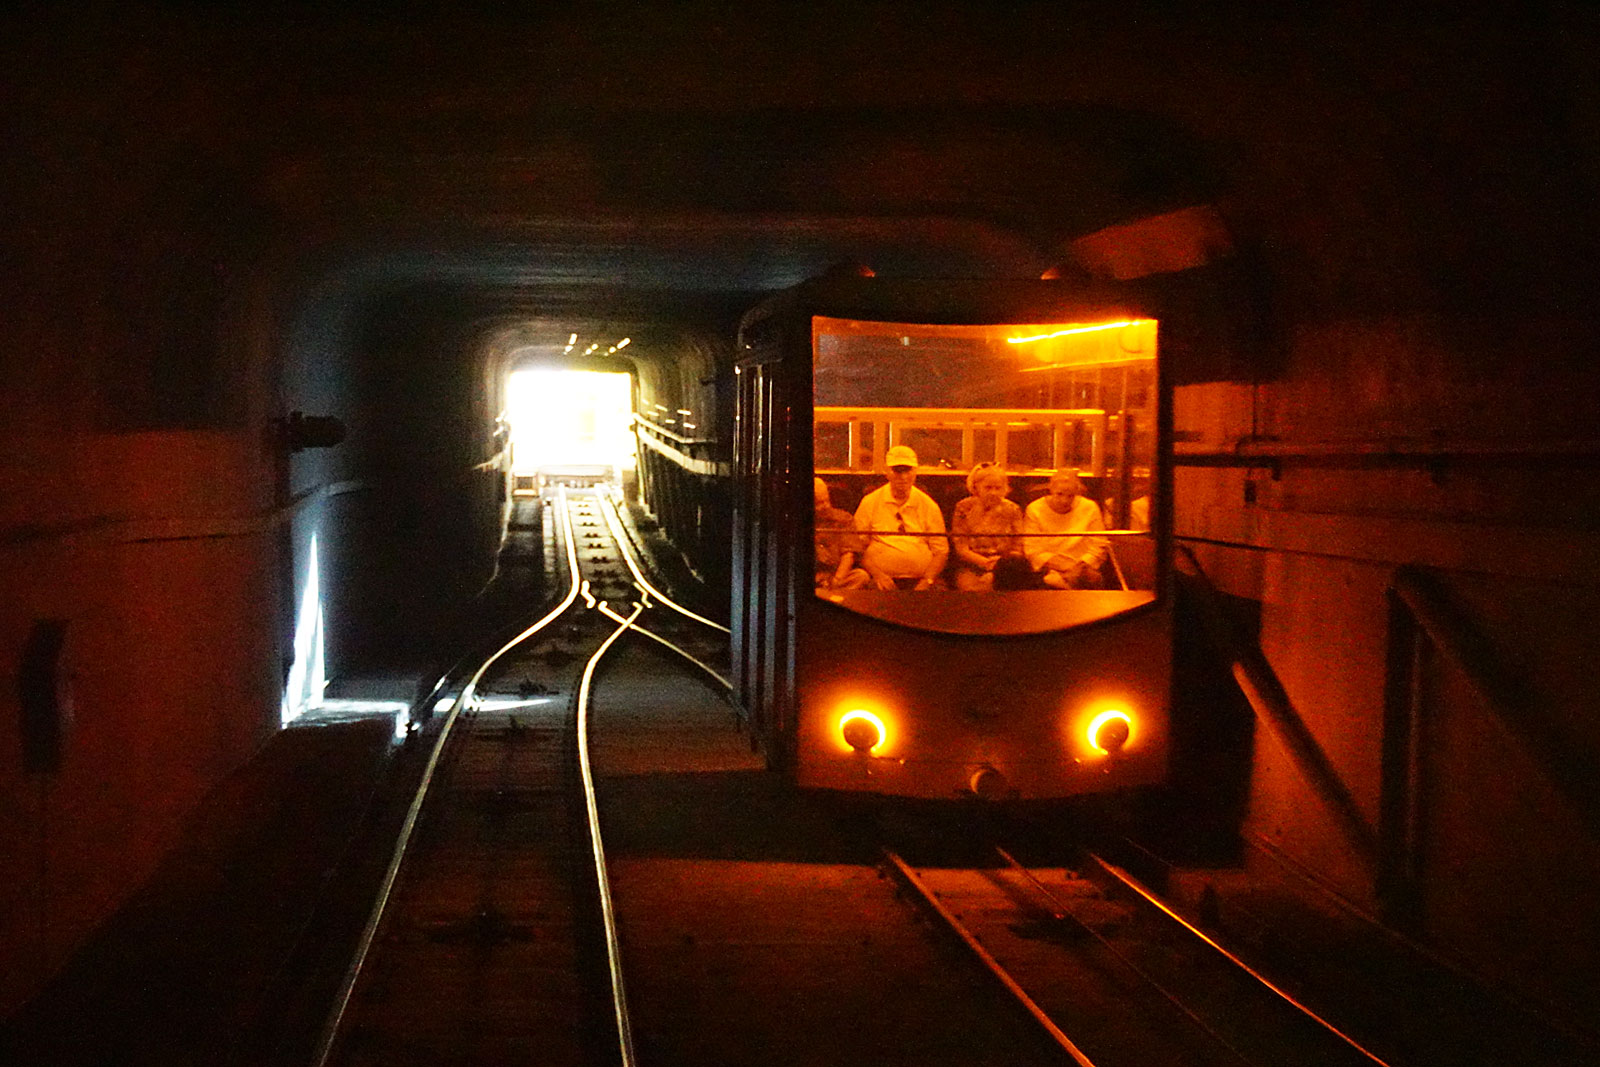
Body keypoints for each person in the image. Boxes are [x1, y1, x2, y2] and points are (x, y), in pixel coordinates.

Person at [853, 444, 948, 590]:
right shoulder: (870, 502)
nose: (903, 477)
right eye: (897, 471)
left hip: (923, 580)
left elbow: (941, 551)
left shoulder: (929, 505)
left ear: (915, 472)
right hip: (880, 580)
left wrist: (927, 580)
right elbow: (858, 547)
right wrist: (878, 575)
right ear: (887, 472)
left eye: (908, 471)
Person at [1023, 471, 1109, 589]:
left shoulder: (1090, 507)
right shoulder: (1034, 509)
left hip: (1083, 569)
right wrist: (1065, 567)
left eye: (1070, 496)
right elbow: (1032, 550)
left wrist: (1079, 567)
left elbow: (1099, 544)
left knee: (1092, 579)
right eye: (1059, 494)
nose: (1065, 501)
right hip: (1048, 567)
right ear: (1051, 490)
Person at [949, 462, 1025, 591]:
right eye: (988, 488)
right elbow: (961, 548)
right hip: (970, 565)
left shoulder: (1013, 509)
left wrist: (999, 565)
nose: (993, 493)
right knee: (973, 589)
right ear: (976, 487)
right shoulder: (963, 507)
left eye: (998, 488)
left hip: (1004, 566)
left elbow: (1018, 547)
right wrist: (985, 563)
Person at [813, 477, 869, 591]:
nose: (825, 506)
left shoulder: (844, 519)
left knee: (861, 576)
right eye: (819, 503)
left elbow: (849, 554)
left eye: (826, 500)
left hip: (837, 576)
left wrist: (837, 580)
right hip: (812, 576)